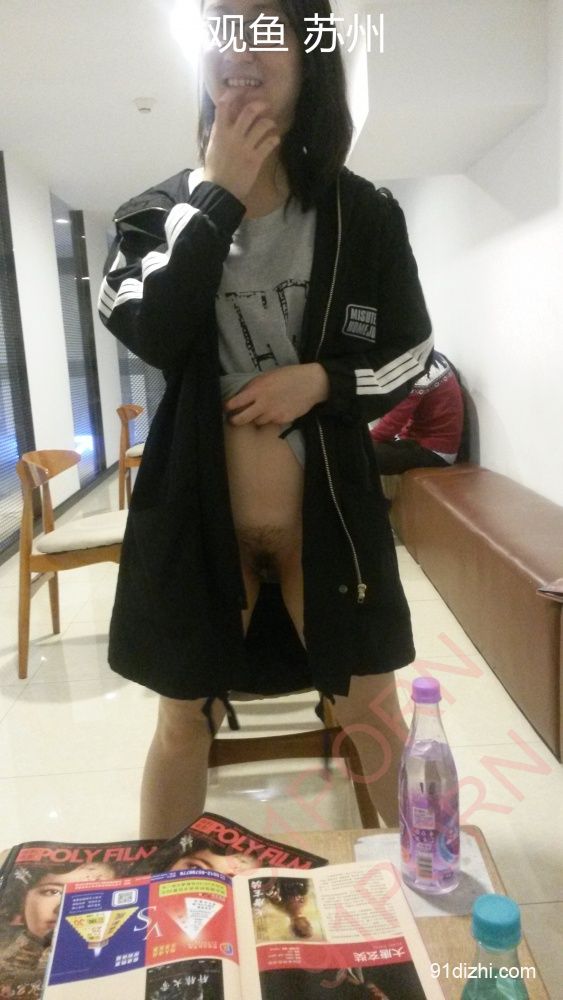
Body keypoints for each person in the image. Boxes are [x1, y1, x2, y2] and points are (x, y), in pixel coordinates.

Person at [97, 0, 434, 839]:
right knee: (182, 723)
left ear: (308, 54)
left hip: (329, 519)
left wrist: (321, 380)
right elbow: (150, 330)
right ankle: (161, 896)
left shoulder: (362, 213)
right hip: (197, 521)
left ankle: (430, 886)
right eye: (220, 26)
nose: (236, 47)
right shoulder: (148, 217)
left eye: (262, 27)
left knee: (372, 711)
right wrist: (215, 196)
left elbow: (412, 353)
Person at [370, 350, 463, 474]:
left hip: (436, 451)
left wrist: (364, 442)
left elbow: (393, 422)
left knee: (362, 456)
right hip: (421, 440)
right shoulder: (424, 354)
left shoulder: (414, 369)